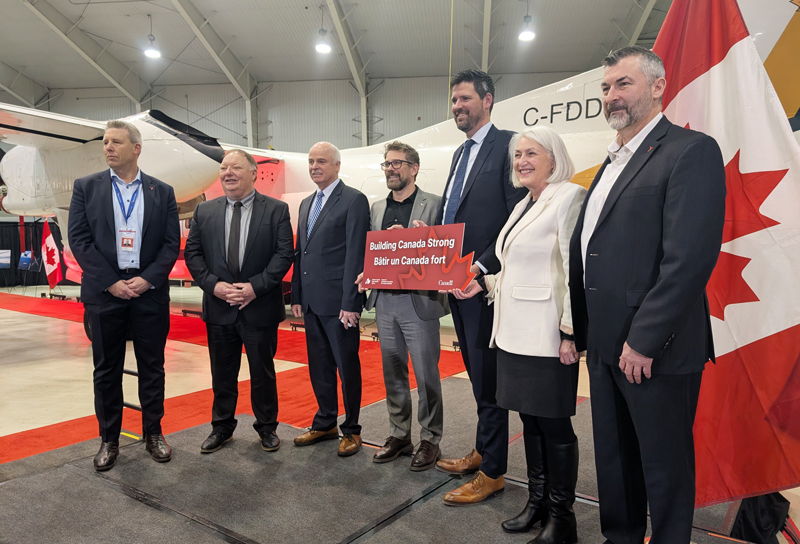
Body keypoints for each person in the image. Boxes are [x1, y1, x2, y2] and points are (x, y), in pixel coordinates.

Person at [568, 46, 726, 543]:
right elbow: (591, 254)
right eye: (606, 87)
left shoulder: (690, 150)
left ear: (657, 87)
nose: (612, 95)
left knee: (664, 467)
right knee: (615, 462)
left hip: (654, 350)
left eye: (624, 84)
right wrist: (579, 329)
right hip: (605, 347)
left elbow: (688, 260)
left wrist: (645, 339)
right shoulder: (608, 163)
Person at [458, 126, 586, 542]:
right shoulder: (523, 205)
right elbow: (512, 267)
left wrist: (571, 332)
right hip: (512, 333)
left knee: (554, 427)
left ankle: (561, 518)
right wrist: (484, 283)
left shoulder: (569, 197)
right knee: (530, 423)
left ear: (554, 156)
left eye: (532, 153)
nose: (522, 161)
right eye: (518, 155)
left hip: (547, 334)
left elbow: (573, 269)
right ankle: (537, 503)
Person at [423, 69, 526, 505]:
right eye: (453, 101)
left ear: (487, 99)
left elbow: (515, 216)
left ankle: (494, 472)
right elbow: (453, 219)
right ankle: (485, 451)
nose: (457, 107)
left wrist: (480, 267)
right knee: (478, 377)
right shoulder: (459, 155)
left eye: (464, 99)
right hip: (457, 287)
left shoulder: (509, 146)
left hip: (483, 286)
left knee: (489, 380)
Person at [68, 120, 180, 471]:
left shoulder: (161, 191)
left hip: (148, 293)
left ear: (136, 148)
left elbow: (170, 243)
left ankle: (154, 433)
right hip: (106, 293)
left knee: (152, 367)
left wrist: (147, 280)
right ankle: (109, 439)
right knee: (106, 370)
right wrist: (111, 282)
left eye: (116, 142)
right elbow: (80, 240)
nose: (108, 148)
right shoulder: (86, 188)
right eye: (105, 142)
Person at [184, 149, 293, 454]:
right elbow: (193, 254)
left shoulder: (276, 210)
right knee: (222, 373)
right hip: (219, 308)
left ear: (253, 173)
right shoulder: (205, 212)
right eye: (223, 168)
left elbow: (284, 254)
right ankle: (221, 427)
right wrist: (214, 286)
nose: (227, 173)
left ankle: (267, 428)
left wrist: (254, 288)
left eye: (235, 168)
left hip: (258, 307)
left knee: (263, 373)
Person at [355, 141, 448, 471]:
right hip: (385, 302)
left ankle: (430, 439)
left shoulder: (435, 204)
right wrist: (367, 271)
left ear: (414, 168)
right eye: (387, 164)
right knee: (393, 374)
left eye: (397, 163)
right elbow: (373, 252)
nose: (391, 169)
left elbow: (446, 254)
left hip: (418, 302)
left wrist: (426, 238)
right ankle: (399, 434)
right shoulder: (376, 208)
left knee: (426, 377)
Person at [291, 142, 370, 457]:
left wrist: (351, 301)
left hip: (340, 304)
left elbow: (355, 253)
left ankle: (351, 429)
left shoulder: (353, 200)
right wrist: (296, 294)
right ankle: (325, 422)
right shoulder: (307, 203)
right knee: (319, 366)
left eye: (321, 161)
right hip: (311, 302)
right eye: (311, 161)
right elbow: (302, 253)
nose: (314, 167)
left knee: (346, 366)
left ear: (337, 165)